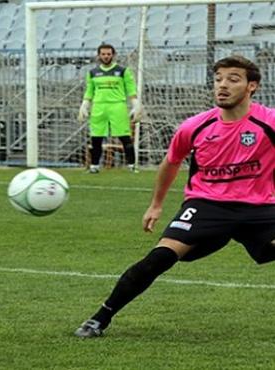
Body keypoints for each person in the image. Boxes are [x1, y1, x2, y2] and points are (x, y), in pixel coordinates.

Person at [75, 55, 274, 338]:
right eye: (218, 79)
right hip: (206, 205)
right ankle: (100, 318)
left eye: (233, 79)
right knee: (160, 258)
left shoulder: (269, 122)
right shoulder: (195, 126)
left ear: (251, 86)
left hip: (258, 208)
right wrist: (156, 205)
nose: (223, 85)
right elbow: (170, 162)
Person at [78, 43, 142, 173]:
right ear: (99, 56)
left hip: (117, 105)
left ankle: (132, 166)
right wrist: (84, 105)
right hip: (98, 107)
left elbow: (131, 89)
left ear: (113, 55)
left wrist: (136, 105)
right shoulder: (93, 73)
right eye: (103, 54)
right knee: (96, 137)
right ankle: (94, 166)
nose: (106, 56)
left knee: (124, 136)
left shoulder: (123, 71)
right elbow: (89, 91)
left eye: (108, 54)